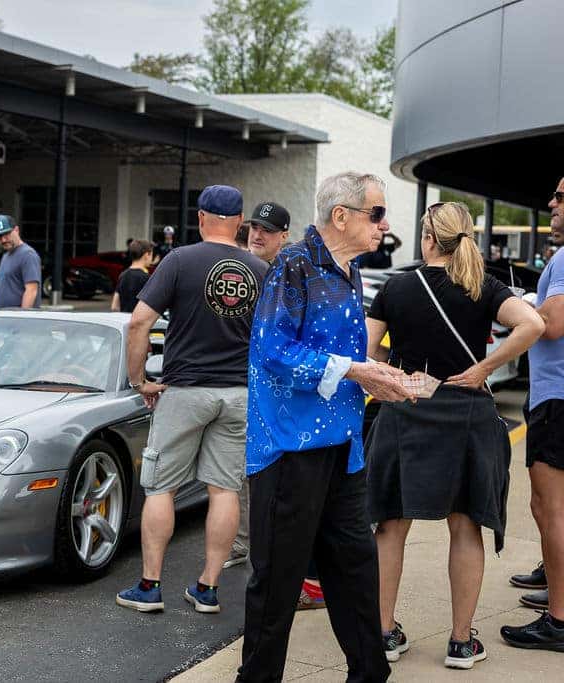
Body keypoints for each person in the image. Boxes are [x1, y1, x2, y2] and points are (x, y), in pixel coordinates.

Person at [239, 171, 415, 682]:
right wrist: (357, 370)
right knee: (276, 584)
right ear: (342, 216)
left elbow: (338, 358)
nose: (385, 224)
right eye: (377, 213)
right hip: (290, 450)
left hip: (342, 445)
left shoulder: (347, 269)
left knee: (355, 571)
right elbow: (274, 352)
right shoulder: (293, 265)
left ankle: (369, 674)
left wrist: (374, 379)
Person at [365, 201, 543, 669]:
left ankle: (383, 634)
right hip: (466, 412)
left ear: (427, 239)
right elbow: (533, 324)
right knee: (465, 526)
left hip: (406, 411)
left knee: (390, 526)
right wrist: (484, 367)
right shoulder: (482, 285)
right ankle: (462, 643)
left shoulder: (398, 287)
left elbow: (365, 353)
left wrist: (395, 377)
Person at [115, 185, 268, 615]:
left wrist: (138, 379)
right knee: (224, 490)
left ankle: (150, 586)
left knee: (161, 486)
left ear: (201, 218)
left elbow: (139, 322)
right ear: (241, 223)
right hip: (239, 394)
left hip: (185, 390)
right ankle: (207, 589)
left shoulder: (179, 260)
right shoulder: (259, 268)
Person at [501, 178, 564, 651]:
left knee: (550, 508)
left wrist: (518, 306)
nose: (551, 203)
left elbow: (552, 323)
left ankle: (559, 620)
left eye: (561, 196)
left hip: (556, 399)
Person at [226, 201, 292, 573]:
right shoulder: (244, 270)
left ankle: (267, 543)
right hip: (243, 385)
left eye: (267, 229)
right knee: (241, 469)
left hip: (278, 390)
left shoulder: (287, 273)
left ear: (283, 235)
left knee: (272, 471)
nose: (258, 234)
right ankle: (243, 541)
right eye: (254, 227)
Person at [0, 214, 41, 309]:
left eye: (6, 234)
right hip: (3, 317)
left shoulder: (28, 255)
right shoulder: (6, 255)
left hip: (16, 319)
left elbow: (31, 290)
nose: (3, 240)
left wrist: (21, 318)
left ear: (16, 230)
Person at [111, 239, 153, 313]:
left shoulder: (122, 275)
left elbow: (114, 306)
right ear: (146, 255)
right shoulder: (147, 278)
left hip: (124, 321)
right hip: (140, 322)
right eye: (152, 255)